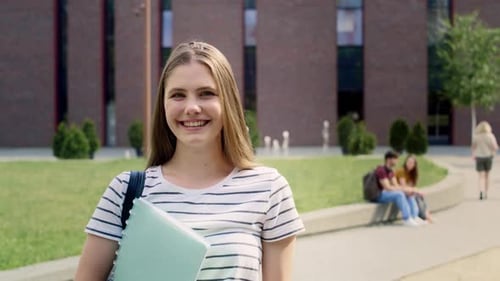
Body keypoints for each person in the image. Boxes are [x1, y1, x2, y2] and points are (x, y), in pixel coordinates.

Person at [75, 41, 305, 281]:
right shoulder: (125, 191)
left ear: (228, 102)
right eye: (178, 95)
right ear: (163, 105)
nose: (192, 107)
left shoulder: (269, 189)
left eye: (206, 93)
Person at [374, 150, 426, 227]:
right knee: (399, 194)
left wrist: (409, 190)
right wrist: (407, 190)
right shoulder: (381, 170)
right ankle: (407, 219)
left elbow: (396, 185)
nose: (397, 161)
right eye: (395, 159)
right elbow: (388, 187)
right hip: (378, 195)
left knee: (407, 193)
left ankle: (414, 217)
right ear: (389, 159)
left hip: (385, 193)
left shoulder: (390, 171)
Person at [395, 154, 434, 223]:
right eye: (408, 162)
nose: (410, 164)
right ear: (405, 162)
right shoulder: (401, 171)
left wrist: (415, 191)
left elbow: (411, 187)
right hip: (400, 191)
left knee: (420, 196)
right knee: (417, 196)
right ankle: (424, 217)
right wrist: (415, 191)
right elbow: (403, 186)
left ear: (414, 165)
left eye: (412, 163)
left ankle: (427, 215)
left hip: (407, 192)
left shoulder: (412, 174)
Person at [471, 121, 499, 200]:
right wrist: (493, 151)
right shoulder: (490, 136)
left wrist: (473, 155)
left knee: (481, 177)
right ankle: (486, 193)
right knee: (487, 176)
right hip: (488, 157)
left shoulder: (476, 136)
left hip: (479, 157)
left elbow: (473, 147)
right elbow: (495, 147)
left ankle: (481, 192)